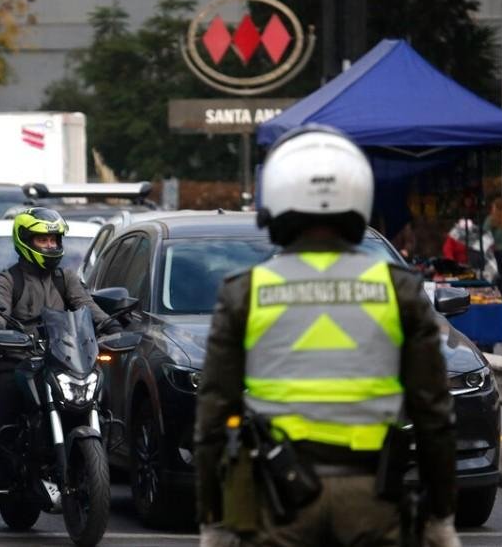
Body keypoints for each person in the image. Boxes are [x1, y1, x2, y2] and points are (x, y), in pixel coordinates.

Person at [195, 126, 458, 547]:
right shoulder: (400, 289)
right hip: (374, 499)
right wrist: (441, 515)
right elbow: (434, 415)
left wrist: (213, 518)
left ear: (276, 199)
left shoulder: (245, 291)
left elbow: (212, 416)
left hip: (280, 504)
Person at [0, 207, 121, 540]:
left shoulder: (66, 278)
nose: (49, 245)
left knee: (98, 400)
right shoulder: (8, 279)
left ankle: (84, 468)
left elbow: (84, 306)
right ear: (25, 240)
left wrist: (110, 324)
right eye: (42, 239)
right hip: (15, 360)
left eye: (53, 239)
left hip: (60, 357)